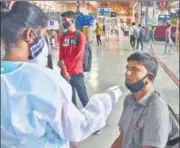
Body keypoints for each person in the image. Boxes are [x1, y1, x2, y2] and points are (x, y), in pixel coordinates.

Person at [1, 2, 122, 148]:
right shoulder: (43, 81)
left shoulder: (78, 36)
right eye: (43, 35)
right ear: (30, 35)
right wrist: (107, 99)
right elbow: (77, 127)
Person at [111, 52, 179, 148]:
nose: (127, 72)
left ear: (149, 77)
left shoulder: (156, 107)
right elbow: (123, 136)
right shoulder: (129, 100)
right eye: (128, 68)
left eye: (134, 69)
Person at [57, 11, 89, 108]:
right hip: (65, 73)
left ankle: (91, 119)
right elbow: (61, 55)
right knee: (70, 99)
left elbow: (78, 56)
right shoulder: (63, 37)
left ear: (72, 21)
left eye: (65, 20)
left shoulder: (80, 36)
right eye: (62, 21)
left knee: (84, 99)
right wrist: (64, 70)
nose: (63, 23)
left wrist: (67, 70)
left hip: (76, 73)